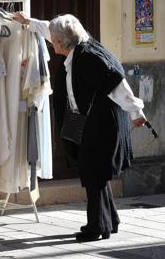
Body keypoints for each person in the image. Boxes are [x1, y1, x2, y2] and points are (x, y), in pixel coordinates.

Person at [13, 12, 146, 242]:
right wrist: (30, 23)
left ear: (61, 43)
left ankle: (96, 227)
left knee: (93, 171)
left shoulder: (89, 57)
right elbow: (50, 29)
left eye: (53, 40)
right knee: (96, 172)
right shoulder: (78, 46)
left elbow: (117, 83)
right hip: (96, 118)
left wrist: (136, 111)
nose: (51, 42)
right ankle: (109, 221)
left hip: (104, 120)